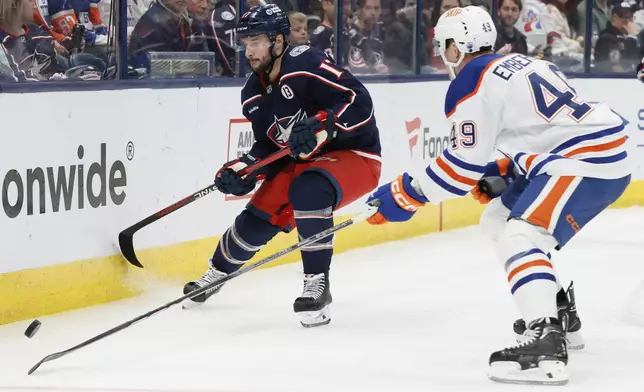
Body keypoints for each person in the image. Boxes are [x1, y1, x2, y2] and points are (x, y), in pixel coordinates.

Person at [365, 5, 631, 385]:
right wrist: (506, 166)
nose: (444, 54)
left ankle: (545, 341)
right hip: (595, 151)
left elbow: (458, 170)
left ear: (457, 46)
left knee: (519, 237)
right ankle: (559, 310)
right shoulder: (522, 62)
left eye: (446, 46)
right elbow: (543, 127)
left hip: (582, 162)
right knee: (498, 219)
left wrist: (406, 194)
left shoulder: (471, 80)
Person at [182, 3, 382, 328]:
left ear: (278, 41)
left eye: (257, 41)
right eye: (246, 42)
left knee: (309, 189)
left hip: (355, 156)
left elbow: (358, 101)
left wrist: (325, 123)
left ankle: (316, 283)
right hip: (303, 165)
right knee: (254, 222)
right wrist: (246, 169)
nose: (250, 50)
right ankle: (216, 273)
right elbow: (269, 148)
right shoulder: (252, 93)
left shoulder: (306, 63)